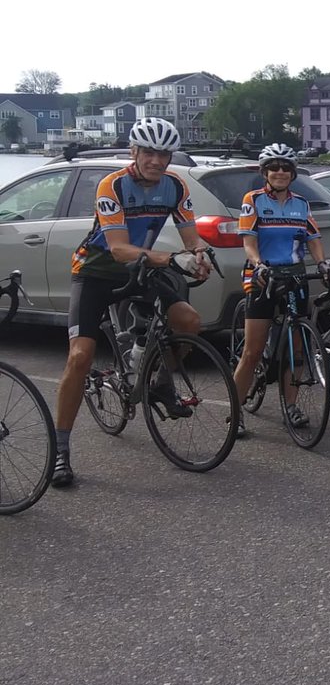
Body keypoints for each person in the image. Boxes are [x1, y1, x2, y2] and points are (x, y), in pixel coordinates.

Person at [52, 117, 213, 488]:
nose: (157, 161)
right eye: (149, 153)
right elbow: (119, 248)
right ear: (134, 152)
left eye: (164, 153)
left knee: (188, 321)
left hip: (140, 267)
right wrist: (173, 259)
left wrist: (200, 254)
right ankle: (61, 450)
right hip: (96, 270)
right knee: (80, 357)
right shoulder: (113, 185)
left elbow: (191, 237)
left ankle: (159, 382)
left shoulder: (175, 186)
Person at [232, 144, 330, 435]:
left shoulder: (301, 204)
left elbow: (312, 237)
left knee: (297, 347)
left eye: (286, 168)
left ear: (293, 173)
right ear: (265, 172)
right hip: (263, 277)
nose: (280, 172)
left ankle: (290, 406)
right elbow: (249, 241)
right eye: (274, 167)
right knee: (253, 350)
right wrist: (258, 263)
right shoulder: (253, 200)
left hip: (294, 276)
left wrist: (323, 263)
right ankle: (236, 413)